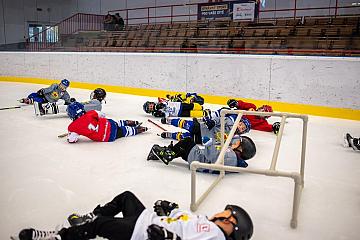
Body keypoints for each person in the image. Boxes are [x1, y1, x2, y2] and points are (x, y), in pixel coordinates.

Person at [14, 190, 253, 240]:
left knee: (99, 225)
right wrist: (170, 209)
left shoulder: (213, 235)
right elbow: (182, 221)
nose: (223, 210)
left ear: (231, 221)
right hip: (146, 219)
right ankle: (89, 218)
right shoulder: (206, 223)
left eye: (227, 211)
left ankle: (58, 237)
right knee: (126, 197)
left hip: (139, 232)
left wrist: (167, 238)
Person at [148, 134, 256, 171]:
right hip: (200, 160)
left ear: (240, 149)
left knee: (187, 142)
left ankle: (167, 155)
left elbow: (213, 156)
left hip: (199, 161)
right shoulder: (233, 159)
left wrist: (210, 143)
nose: (234, 142)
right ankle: (167, 153)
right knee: (183, 149)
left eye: (237, 143)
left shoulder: (231, 155)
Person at [66, 102, 147, 143]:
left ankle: (138, 130)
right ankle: (127, 122)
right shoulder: (91, 112)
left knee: (123, 131)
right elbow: (102, 115)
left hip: (107, 136)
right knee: (112, 122)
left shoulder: (72, 127)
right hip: (110, 124)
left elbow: (72, 140)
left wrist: (73, 133)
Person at [160, 108, 251, 144]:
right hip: (203, 128)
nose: (240, 127)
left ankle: (170, 135)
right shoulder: (230, 122)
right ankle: (169, 121)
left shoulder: (234, 137)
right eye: (241, 124)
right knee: (186, 124)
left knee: (185, 138)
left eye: (242, 128)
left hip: (204, 138)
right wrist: (213, 122)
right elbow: (220, 119)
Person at [40, 88, 107, 116]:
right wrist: (76, 102)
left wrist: (75, 104)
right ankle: (46, 107)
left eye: (94, 94)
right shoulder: (97, 103)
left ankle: (45, 110)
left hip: (78, 113)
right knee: (63, 102)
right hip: (80, 113)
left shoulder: (97, 103)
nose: (93, 95)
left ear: (97, 96)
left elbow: (84, 108)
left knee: (63, 107)